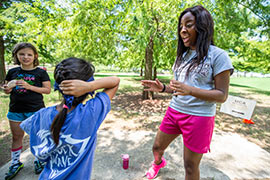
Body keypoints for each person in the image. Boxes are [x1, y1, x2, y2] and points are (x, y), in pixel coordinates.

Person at [141, 5, 234, 180]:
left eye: (189, 25)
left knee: (190, 166)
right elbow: (180, 90)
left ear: (202, 27)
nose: (183, 30)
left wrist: (190, 90)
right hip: (174, 112)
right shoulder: (182, 57)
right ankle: (158, 163)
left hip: (199, 117)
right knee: (157, 147)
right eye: (181, 26)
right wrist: (162, 89)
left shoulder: (218, 56)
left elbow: (222, 95)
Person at [19, 57, 120, 180]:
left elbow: (30, 130)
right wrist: (90, 86)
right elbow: (115, 81)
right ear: (85, 87)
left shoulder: (40, 115)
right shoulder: (91, 112)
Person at [3, 42, 51, 180]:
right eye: (22, 54)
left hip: (35, 110)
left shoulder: (40, 72)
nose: (25, 57)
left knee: (37, 137)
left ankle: (39, 160)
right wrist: (7, 89)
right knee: (17, 137)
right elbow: (7, 89)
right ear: (16, 56)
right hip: (16, 110)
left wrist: (29, 87)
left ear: (35, 56)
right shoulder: (13, 72)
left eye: (29, 54)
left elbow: (47, 90)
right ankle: (15, 163)